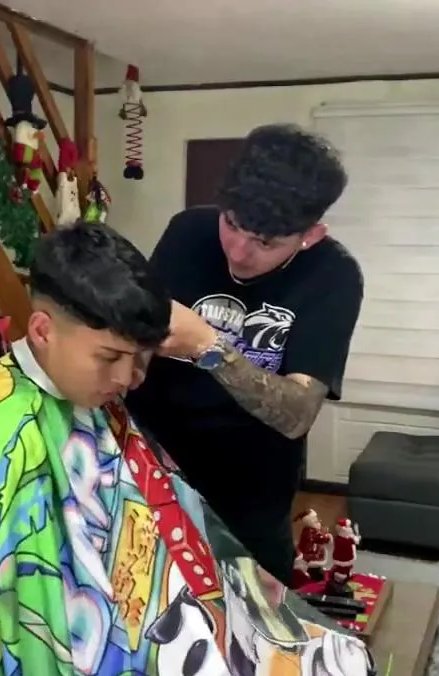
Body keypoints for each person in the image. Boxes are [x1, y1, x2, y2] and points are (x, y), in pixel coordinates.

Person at [0, 222, 377, 676]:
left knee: (337, 667)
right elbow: (27, 649)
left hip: (160, 620)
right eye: (110, 357)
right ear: (41, 331)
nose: (128, 379)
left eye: (138, 358)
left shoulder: (88, 399)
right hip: (101, 667)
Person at [127, 123, 364, 583]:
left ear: (310, 235)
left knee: (254, 611)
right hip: (153, 465)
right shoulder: (187, 231)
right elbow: (142, 335)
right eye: (232, 224)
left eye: (265, 242)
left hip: (250, 490)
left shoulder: (334, 276)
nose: (238, 251)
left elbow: (297, 414)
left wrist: (209, 347)